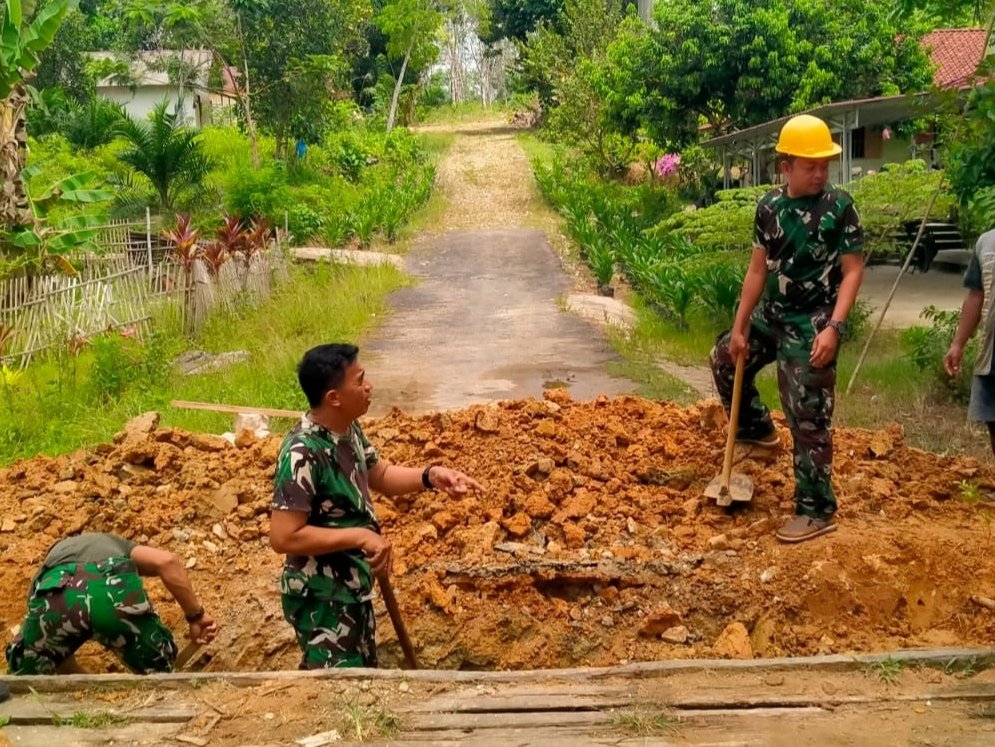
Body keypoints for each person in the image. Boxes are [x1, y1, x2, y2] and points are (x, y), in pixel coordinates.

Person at [270, 343, 483, 669]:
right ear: (334, 398)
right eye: (359, 380)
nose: (369, 386)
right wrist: (359, 536)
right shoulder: (302, 452)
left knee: (363, 681)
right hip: (322, 596)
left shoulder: (347, 429)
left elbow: (379, 474)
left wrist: (430, 476)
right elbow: (283, 537)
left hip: (353, 587)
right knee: (338, 693)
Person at [709, 114, 865, 544]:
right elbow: (758, 270)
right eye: (809, 165)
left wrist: (835, 326)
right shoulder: (769, 209)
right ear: (786, 167)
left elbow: (853, 272)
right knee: (724, 358)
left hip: (814, 320)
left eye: (824, 165)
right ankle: (756, 432)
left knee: (806, 410)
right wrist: (741, 326)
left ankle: (816, 509)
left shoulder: (840, 208)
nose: (819, 173)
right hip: (774, 315)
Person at [6, 533, 218, 675]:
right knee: (160, 667)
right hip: (111, 587)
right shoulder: (116, 545)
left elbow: (61, 660)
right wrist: (196, 616)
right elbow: (167, 561)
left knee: (27, 671)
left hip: (56, 592)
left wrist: (93, 689)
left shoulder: (45, 569)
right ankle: (161, 674)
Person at [944, 226, 995, 457]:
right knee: (992, 421)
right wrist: (957, 343)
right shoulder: (986, 242)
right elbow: (976, 295)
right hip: (991, 354)